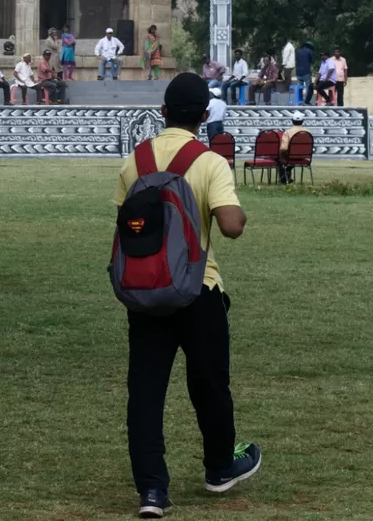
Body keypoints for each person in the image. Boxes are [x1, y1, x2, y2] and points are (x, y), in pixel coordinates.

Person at [114, 73, 259, 517]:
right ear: (202, 115)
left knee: (145, 390)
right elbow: (231, 227)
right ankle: (219, 467)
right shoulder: (209, 161)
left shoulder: (133, 163)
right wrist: (238, 212)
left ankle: (152, 492)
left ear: (162, 112)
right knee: (210, 383)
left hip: (146, 293)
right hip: (200, 289)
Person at [278, 112, 307, 184]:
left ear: (292, 121)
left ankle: (283, 179)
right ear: (302, 121)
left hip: (290, 157)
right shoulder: (307, 132)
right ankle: (287, 176)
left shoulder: (288, 132)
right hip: (304, 157)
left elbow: (284, 148)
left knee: (279, 158)